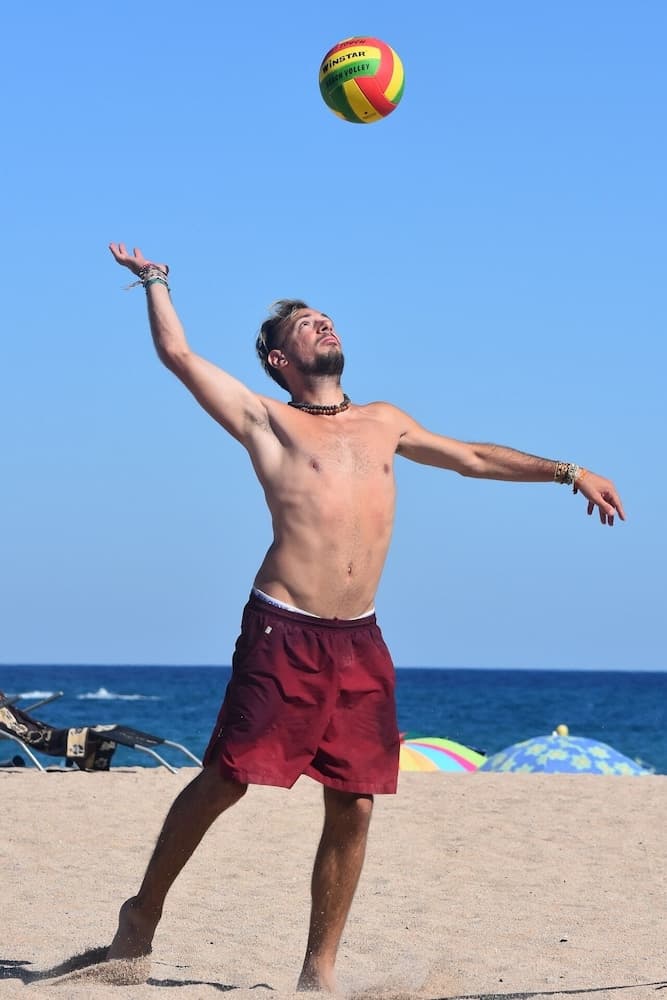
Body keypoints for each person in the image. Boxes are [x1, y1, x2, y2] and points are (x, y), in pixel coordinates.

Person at [106, 242, 625, 992]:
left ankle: (318, 972)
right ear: (279, 359)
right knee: (227, 778)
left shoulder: (385, 422)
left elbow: (473, 458)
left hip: (360, 639)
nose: (323, 325)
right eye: (305, 324)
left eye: (326, 318)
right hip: (284, 627)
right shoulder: (265, 419)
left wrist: (568, 472)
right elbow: (179, 355)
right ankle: (141, 915)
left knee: (353, 800)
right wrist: (155, 281)